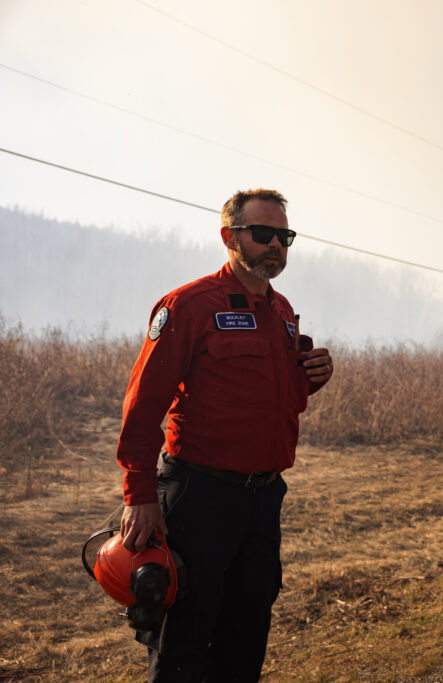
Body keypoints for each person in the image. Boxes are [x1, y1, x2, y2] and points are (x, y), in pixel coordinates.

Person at [115, 188, 334, 681]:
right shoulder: (189, 306)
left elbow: (280, 404)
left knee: (244, 642)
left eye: (285, 236)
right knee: (182, 648)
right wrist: (140, 494)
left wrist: (308, 379)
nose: (276, 245)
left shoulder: (281, 312)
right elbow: (142, 405)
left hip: (262, 500)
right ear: (229, 237)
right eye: (263, 234)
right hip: (198, 498)